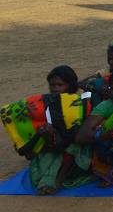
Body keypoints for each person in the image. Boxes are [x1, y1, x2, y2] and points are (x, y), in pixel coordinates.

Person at [9, 66, 94, 195]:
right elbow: (26, 152)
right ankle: (50, 179)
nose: (55, 89)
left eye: (60, 85)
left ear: (71, 86)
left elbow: (76, 138)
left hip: (75, 155)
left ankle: (57, 180)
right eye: (52, 85)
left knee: (73, 146)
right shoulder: (44, 105)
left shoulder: (81, 105)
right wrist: (39, 135)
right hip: (52, 149)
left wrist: (53, 136)